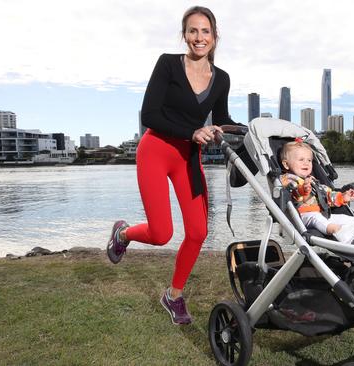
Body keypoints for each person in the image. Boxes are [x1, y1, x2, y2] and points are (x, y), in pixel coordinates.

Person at [106, 6, 241, 325]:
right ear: (185, 35)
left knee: (197, 231)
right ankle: (123, 234)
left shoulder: (221, 79)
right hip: (155, 150)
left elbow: (222, 120)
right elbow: (150, 115)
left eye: (205, 31)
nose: (199, 37)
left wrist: (247, 130)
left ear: (214, 36)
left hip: (187, 158)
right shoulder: (168, 64)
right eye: (193, 31)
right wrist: (192, 131)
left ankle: (173, 296)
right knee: (162, 233)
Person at [279, 140, 354, 244]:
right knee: (316, 218)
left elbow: (326, 196)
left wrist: (342, 197)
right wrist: (303, 189)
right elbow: (292, 193)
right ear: (286, 164)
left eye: (309, 160)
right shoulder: (288, 179)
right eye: (301, 160)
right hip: (303, 216)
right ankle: (338, 231)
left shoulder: (313, 181)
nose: (306, 163)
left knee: (344, 218)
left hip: (321, 213)